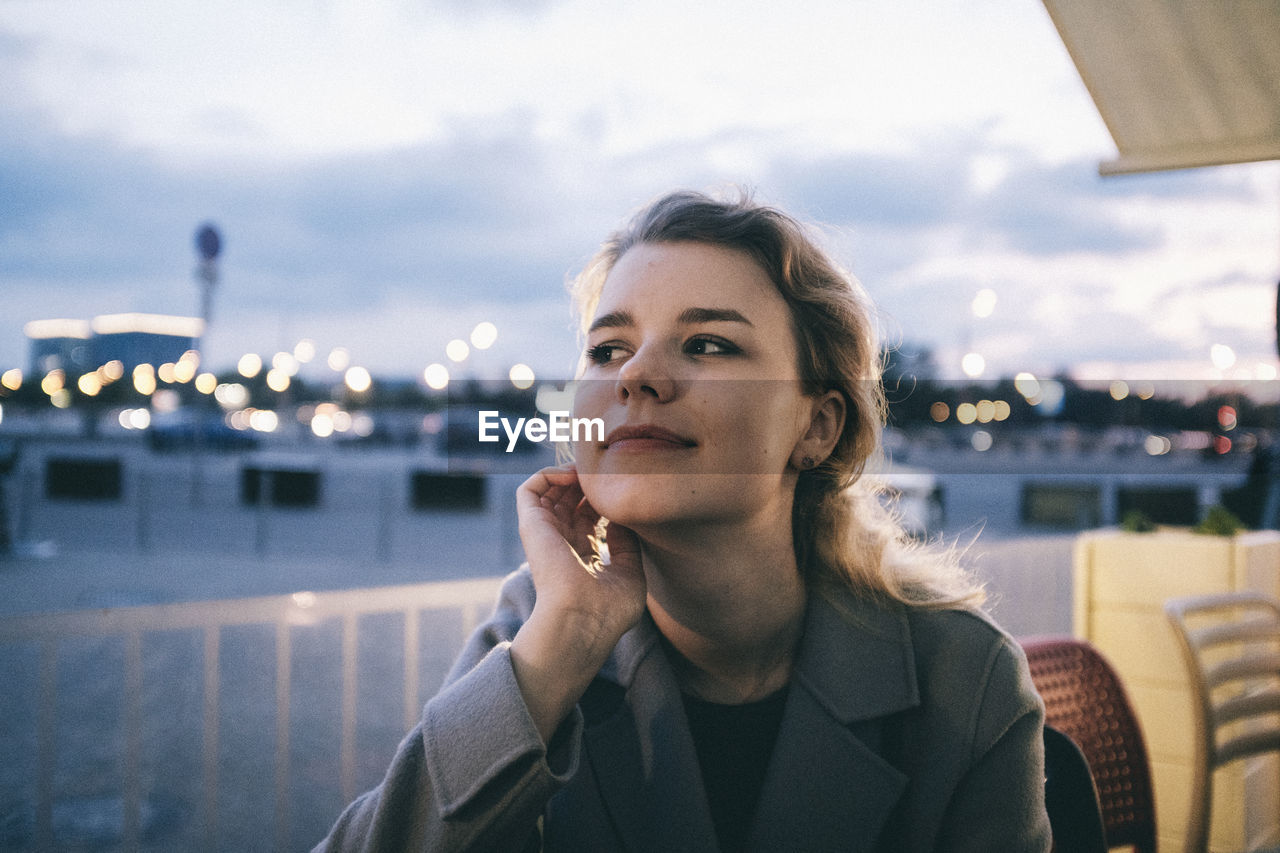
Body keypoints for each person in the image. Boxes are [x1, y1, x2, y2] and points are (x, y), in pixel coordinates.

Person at [314, 190, 1051, 852]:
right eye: (608, 349)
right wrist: (565, 637)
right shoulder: (533, 633)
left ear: (818, 426)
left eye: (708, 343)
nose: (636, 374)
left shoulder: (963, 679)